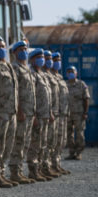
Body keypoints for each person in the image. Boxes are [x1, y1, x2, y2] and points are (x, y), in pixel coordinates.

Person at [0, 37, 19, 187]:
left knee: (8, 145)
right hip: (0, 111)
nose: (2, 49)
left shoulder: (8, 66)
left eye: (3, 46)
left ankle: (2, 172)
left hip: (11, 111)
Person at [7, 41, 36, 184]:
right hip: (22, 111)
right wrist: (19, 110)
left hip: (30, 111)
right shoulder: (15, 68)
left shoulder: (27, 68)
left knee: (25, 142)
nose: (24, 51)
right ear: (14, 52)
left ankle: (19, 171)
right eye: (21, 49)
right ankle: (14, 172)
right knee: (18, 142)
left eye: (25, 49)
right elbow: (15, 91)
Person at [26, 49, 53, 181]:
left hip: (45, 114)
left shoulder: (42, 74)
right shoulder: (32, 74)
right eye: (38, 57)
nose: (41, 59)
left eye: (42, 57)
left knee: (43, 143)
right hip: (37, 115)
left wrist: (50, 113)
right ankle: (33, 170)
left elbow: (47, 96)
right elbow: (31, 96)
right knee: (35, 144)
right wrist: (34, 115)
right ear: (31, 59)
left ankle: (41, 169)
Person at [41, 50, 62, 179]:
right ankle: (44, 167)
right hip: (45, 114)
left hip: (56, 112)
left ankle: (53, 165)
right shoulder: (42, 75)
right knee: (44, 142)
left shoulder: (55, 76)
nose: (50, 61)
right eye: (47, 58)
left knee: (55, 141)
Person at [51, 52, 71, 175]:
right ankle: (48, 166)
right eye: (55, 60)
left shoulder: (59, 77)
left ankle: (56, 164)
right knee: (51, 141)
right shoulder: (49, 76)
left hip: (62, 113)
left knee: (61, 141)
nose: (57, 62)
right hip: (53, 114)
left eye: (59, 60)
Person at [66, 66, 90, 160]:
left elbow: (86, 99)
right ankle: (71, 152)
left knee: (80, 134)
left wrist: (85, 112)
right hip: (68, 114)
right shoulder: (65, 84)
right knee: (69, 134)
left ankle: (79, 153)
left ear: (76, 73)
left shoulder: (81, 84)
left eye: (72, 71)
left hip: (79, 113)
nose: (70, 73)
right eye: (68, 72)